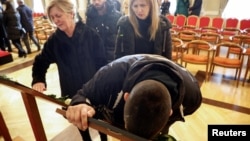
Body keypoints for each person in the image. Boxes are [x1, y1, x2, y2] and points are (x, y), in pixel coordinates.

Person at [65, 54, 202, 140]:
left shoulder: (193, 98)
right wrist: (79, 104)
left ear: (170, 112)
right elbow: (82, 94)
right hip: (123, 78)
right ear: (126, 97)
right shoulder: (111, 75)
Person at [31, 0, 107, 99]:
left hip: (93, 91)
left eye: (58, 16)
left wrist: (102, 87)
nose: (55, 20)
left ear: (71, 14)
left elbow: (101, 64)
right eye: (52, 17)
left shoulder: (91, 35)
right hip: (71, 94)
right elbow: (40, 61)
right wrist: (38, 80)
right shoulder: (54, 41)